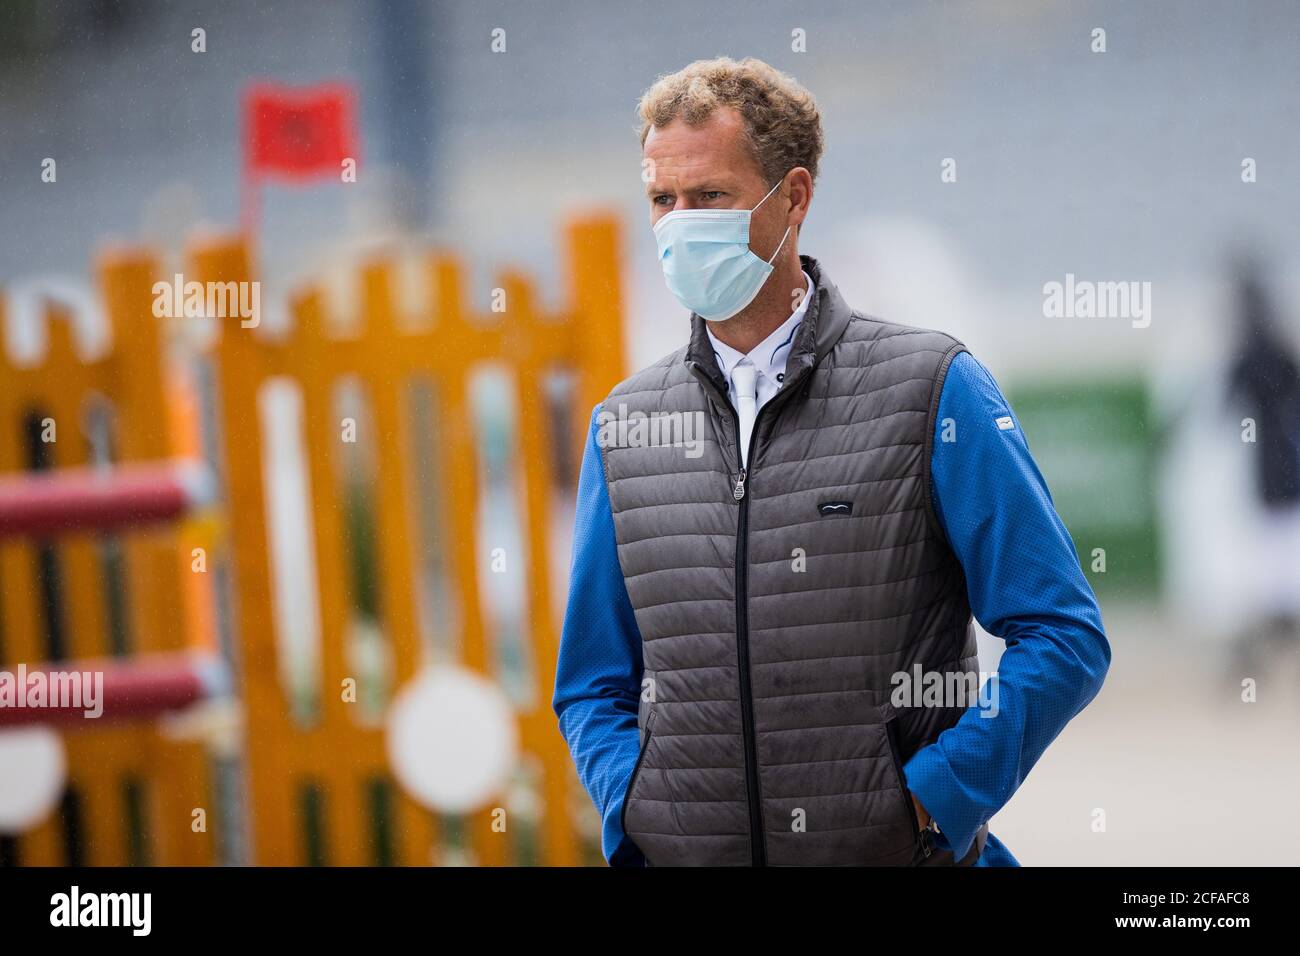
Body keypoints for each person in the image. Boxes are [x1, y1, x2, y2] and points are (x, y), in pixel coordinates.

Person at [552, 56, 1110, 866]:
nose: (679, 223)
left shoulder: (932, 387)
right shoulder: (624, 426)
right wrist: (636, 807)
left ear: (795, 198)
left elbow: (1063, 634)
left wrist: (934, 801)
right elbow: (590, 684)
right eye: (661, 200)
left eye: (709, 196)